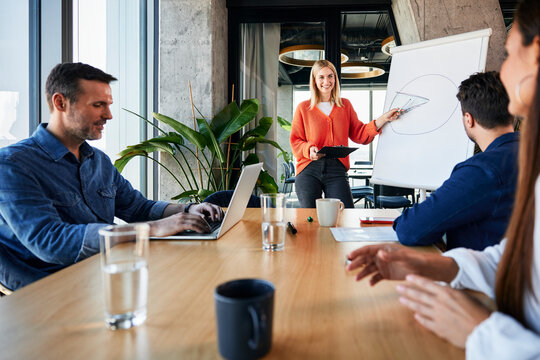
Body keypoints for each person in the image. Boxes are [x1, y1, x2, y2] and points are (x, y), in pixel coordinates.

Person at [347, 0, 540, 356]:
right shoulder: (527, 156)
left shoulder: (485, 170)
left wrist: (479, 331)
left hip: (491, 317)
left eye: (510, 53)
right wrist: (437, 264)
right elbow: (523, 259)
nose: (505, 66)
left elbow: (412, 228)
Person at [0, 63, 223, 291]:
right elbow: (50, 241)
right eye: (98, 105)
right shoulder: (12, 164)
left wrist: (186, 211)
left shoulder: (98, 161)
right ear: (60, 103)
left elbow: (138, 208)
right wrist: (152, 229)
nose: (108, 115)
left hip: (104, 272)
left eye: (108, 105)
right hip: (51, 290)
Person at [394, 71, 518, 251]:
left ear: (469, 119)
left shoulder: (481, 170)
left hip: (482, 276)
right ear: (512, 113)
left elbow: (410, 229)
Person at [290, 59, 400, 208]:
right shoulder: (303, 108)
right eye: (321, 77)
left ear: (335, 78)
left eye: (330, 76)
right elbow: (295, 140)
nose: (326, 81)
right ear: (314, 81)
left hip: (337, 169)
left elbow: (360, 134)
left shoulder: (345, 105)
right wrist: (308, 149)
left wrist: (382, 119)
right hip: (309, 168)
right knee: (311, 219)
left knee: (345, 214)